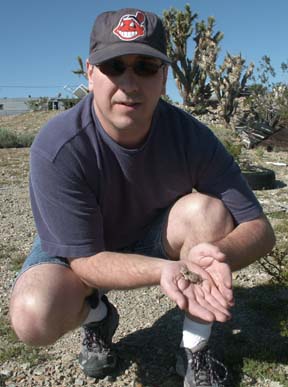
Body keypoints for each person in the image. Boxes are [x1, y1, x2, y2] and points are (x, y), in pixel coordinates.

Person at [9, 8, 275, 387]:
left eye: (145, 67)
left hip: (152, 233)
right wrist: (165, 271)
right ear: (90, 73)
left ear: (164, 77)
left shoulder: (191, 137)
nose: (129, 83)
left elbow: (259, 228)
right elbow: (84, 260)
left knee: (207, 214)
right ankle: (97, 316)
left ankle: (196, 349)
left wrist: (218, 256)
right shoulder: (58, 146)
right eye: (114, 66)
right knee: (33, 316)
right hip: (82, 244)